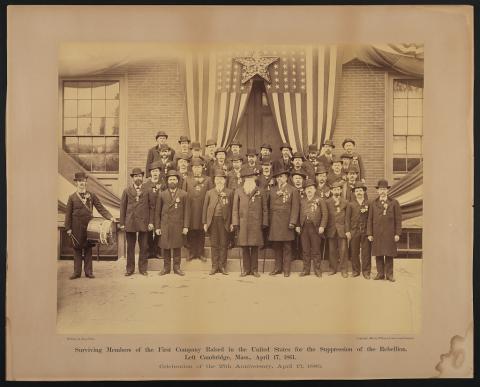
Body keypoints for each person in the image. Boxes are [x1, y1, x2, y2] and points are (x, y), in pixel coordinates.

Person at [65, 172, 115, 279]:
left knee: (88, 249)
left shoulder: (92, 196)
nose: (82, 183)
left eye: (83, 181)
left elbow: (100, 208)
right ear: (76, 183)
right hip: (76, 228)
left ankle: (89, 272)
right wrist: (68, 228)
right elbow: (68, 214)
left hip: (89, 227)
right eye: (79, 181)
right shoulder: (72, 197)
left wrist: (110, 217)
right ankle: (76, 272)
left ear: (86, 182)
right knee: (77, 249)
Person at [232, 166, 269, 277]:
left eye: (251, 178)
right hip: (243, 223)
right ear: (244, 179)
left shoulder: (260, 191)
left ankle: (254, 270)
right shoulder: (238, 191)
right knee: (244, 247)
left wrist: (264, 222)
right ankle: (246, 269)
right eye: (247, 178)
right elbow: (235, 209)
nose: (249, 180)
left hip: (256, 223)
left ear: (254, 179)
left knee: (254, 246)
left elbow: (265, 209)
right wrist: (235, 222)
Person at [119, 168, 155, 276]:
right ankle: (130, 269)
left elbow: (152, 207)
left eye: (139, 176)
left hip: (144, 223)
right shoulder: (126, 191)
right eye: (135, 176)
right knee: (130, 247)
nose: (138, 178)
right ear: (132, 178)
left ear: (142, 177)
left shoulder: (148, 190)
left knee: (144, 247)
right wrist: (122, 223)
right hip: (130, 222)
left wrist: (151, 222)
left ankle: (143, 269)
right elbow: (123, 208)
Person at [155, 170, 190, 276]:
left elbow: (187, 211)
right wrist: (157, 227)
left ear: (178, 181)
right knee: (165, 247)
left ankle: (177, 268)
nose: (172, 181)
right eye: (170, 179)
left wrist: (186, 226)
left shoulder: (184, 194)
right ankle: (166, 268)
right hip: (165, 225)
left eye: (174, 179)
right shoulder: (162, 194)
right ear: (167, 181)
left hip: (178, 225)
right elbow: (157, 212)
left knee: (177, 247)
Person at [367, 179, 402, 282]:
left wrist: (397, 233)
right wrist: (369, 233)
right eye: (381, 189)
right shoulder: (373, 203)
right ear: (378, 191)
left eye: (384, 189)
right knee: (378, 253)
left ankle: (389, 275)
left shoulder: (394, 203)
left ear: (387, 191)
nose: (382, 191)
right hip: (377, 233)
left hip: (389, 233)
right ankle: (380, 273)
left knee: (389, 254)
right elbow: (370, 219)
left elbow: (398, 219)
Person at [268, 167, 300, 277]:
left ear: (286, 178)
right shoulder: (272, 190)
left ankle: (286, 269)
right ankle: (278, 268)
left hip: (287, 223)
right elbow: (269, 207)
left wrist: (293, 221)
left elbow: (295, 208)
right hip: (275, 222)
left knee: (287, 247)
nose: (279, 179)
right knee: (277, 246)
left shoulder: (293, 190)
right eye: (277, 177)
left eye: (281, 176)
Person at [202, 169, 234, 275]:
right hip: (213, 221)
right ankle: (214, 266)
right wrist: (205, 223)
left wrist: (232, 223)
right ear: (214, 180)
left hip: (225, 221)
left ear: (225, 180)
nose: (219, 181)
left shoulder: (230, 192)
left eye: (221, 179)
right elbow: (205, 208)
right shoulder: (209, 192)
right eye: (217, 179)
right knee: (214, 244)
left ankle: (222, 266)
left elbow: (232, 209)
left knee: (224, 244)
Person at [296, 181, 328, 277]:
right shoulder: (302, 201)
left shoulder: (320, 200)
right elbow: (297, 214)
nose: (309, 190)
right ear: (305, 190)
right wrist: (297, 225)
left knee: (316, 250)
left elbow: (325, 214)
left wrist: (322, 226)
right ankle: (306, 270)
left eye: (311, 188)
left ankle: (317, 270)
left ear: (315, 190)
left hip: (315, 228)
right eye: (307, 188)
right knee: (305, 250)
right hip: (304, 227)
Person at [184, 158, 213, 262]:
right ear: (192, 168)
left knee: (201, 232)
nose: (197, 170)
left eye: (199, 167)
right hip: (191, 210)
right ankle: (192, 252)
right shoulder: (187, 179)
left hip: (202, 209)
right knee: (191, 232)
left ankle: (200, 253)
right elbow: (184, 195)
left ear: (202, 168)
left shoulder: (208, 179)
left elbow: (211, 195)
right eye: (195, 167)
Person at [345, 181, 371, 279]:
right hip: (354, 231)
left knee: (366, 252)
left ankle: (366, 271)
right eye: (357, 191)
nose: (359, 193)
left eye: (361, 190)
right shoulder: (350, 204)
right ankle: (356, 270)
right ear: (354, 193)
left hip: (365, 231)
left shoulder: (368, 203)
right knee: (354, 252)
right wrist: (347, 231)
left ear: (364, 192)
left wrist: (370, 232)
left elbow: (370, 218)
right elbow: (347, 219)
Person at [325, 180, 349, 278]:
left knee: (343, 250)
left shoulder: (345, 202)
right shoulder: (327, 202)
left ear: (340, 191)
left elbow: (347, 218)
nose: (336, 191)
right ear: (331, 191)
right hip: (331, 229)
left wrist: (347, 230)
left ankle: (344, 270)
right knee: (332, 250)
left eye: (338, 189)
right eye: (334, 189)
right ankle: (332, 269)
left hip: (342, 230)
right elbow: (325, 216)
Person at [143, 161, 163, 258]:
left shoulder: (164, 184)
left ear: (159, 172)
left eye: (157, 171)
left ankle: (157, 251)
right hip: (149, 212)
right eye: (153, 171)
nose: (155, 173)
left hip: (161, 212)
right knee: (149, 232)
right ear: (150, 173)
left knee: (159, 232)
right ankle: (149, 251)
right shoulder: (146, 185)